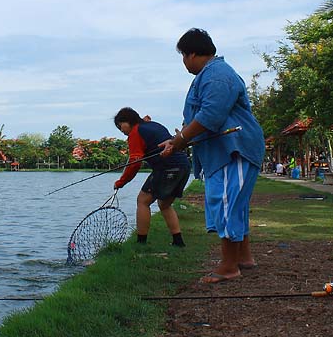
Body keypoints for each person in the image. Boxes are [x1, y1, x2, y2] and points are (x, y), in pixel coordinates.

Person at [161, 29, 265, 283]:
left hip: (234, 148)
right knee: (234, 204)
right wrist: (178, 141)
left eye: (184, 57)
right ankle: (244, 258)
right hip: (223, 150)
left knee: (227, 203)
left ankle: (229, 267)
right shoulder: (212, 74)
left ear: (192, 54)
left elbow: (210, 116)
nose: (184, 63)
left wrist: (180, 140)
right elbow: (203, 121)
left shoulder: (217, 75)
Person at [113, 107, 190, 247]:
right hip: (184, 165)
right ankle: (178, 242)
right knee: (164, 204)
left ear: (127, 121)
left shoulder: (136, 132)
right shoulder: (152, 125)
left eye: (120, 126)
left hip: (168, 167)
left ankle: (141, 243)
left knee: (142, 201)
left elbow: (134, 163)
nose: (121, 131)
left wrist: (121, 182)